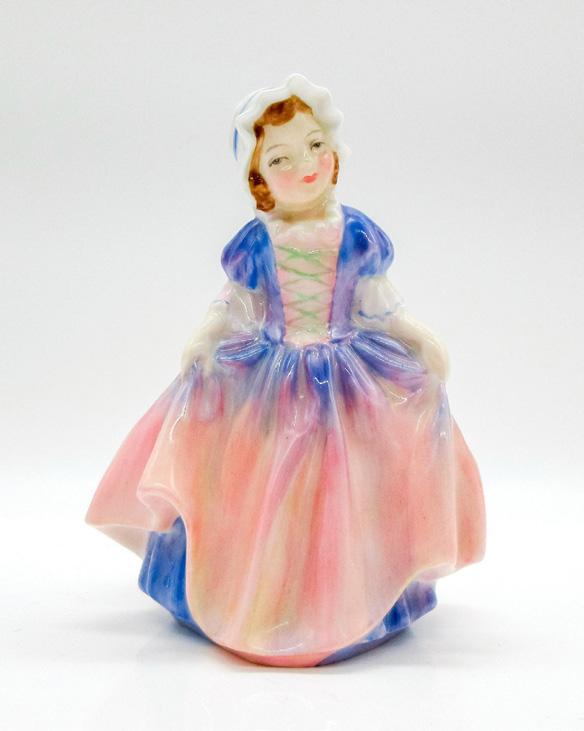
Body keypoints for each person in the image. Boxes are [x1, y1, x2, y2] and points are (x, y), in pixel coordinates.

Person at [86, 73, 486, 668]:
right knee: (257, 480)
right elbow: (237, 301)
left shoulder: (355, 233)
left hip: (345, 373)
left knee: (348, 481)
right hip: (271, 375)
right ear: (258, 179)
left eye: (315, 145)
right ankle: (258, 596)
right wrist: (206, 335)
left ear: (335, 151)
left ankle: (357, 596)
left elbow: (376, 302)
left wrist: (417, 337)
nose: (305, 166)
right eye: (280, 158)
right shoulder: (258, 241)